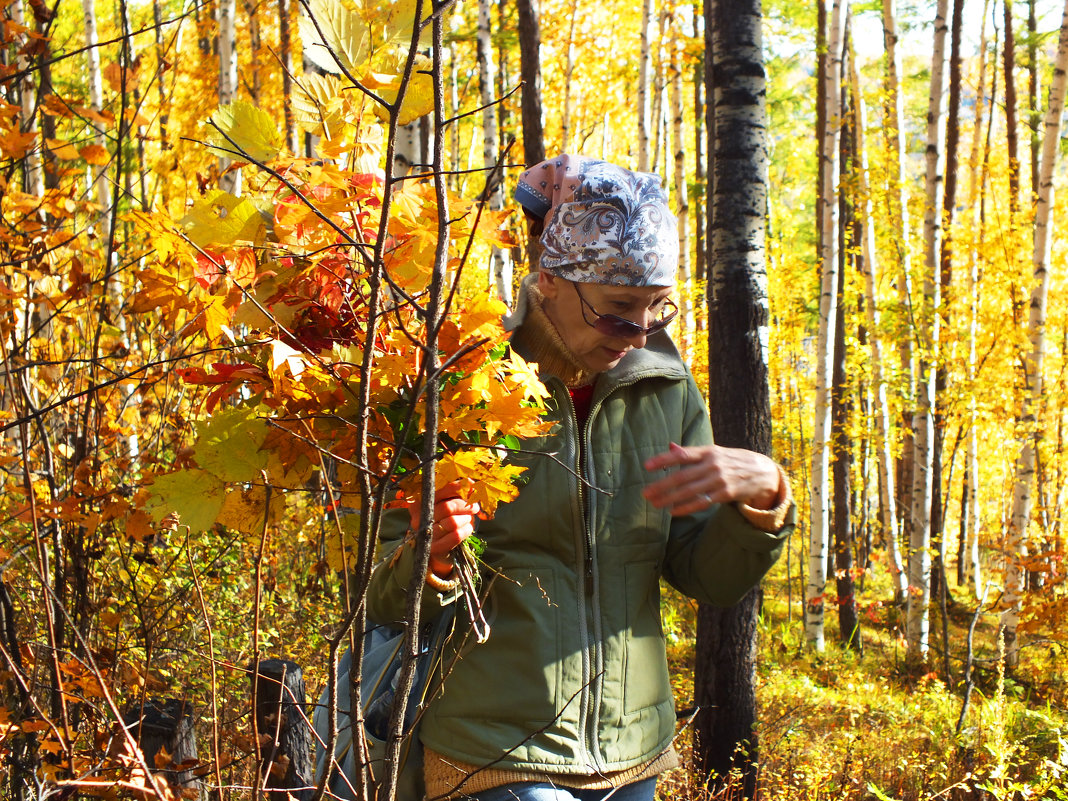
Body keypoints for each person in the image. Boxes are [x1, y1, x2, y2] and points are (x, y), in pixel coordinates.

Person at [366, 154, 795, 801]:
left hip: (632, 752)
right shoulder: (460, 383)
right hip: (494, 748)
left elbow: (706, 575)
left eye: (655, 309)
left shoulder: (666, 391)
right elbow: (378, 596)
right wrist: (430, 557)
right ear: (551, 281)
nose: (638, 333)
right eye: (618, 309)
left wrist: (761, 501)